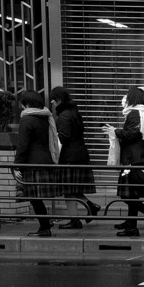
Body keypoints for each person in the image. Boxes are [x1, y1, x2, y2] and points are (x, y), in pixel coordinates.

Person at [105, 86, 144, 237]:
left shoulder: (135, 113)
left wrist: (115, 131)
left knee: (127, 195)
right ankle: (132, 225)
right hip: (139, 157)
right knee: (132, 194)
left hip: (133, 159)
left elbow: (132, 133)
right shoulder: (143, 112)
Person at [14, 90, 61, 237]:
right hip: (45, 160)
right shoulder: (44, 117)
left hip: (32, 163)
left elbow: (22, 145)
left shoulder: (27, 119)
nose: (21, 107)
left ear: (27, 104)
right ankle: (45, 224)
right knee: (36, 197)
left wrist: (17, 165)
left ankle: (45, 227)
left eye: (22, 103)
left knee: (34, 197)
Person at [51, 86, 99, 229]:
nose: (52, 104)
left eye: (53, 101)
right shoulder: (74, 112)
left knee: (68, 189)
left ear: (58, 100)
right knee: (72, 188)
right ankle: (90, 207)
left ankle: (75, 219)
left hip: (69, 157)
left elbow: (63, 137)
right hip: (79, 154)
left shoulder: (64, 115)